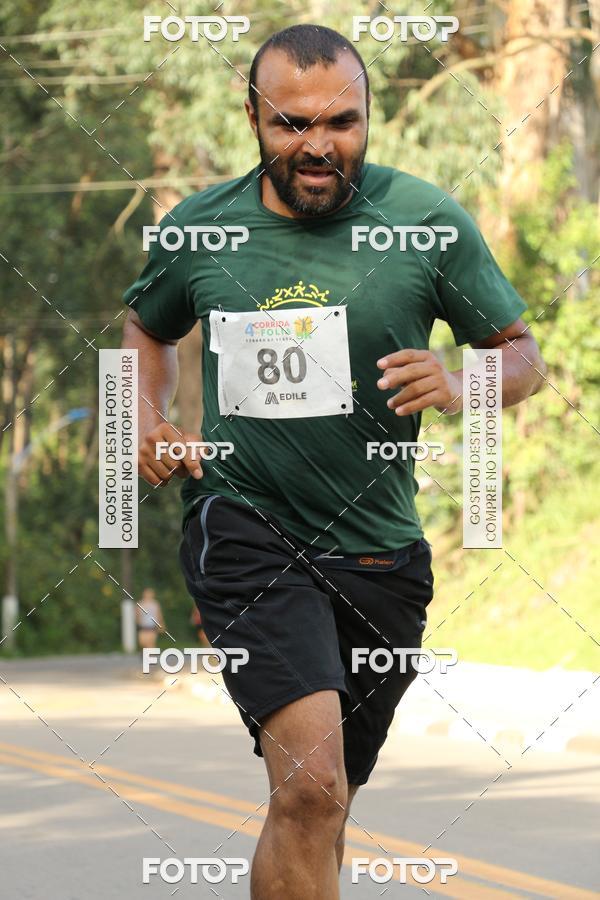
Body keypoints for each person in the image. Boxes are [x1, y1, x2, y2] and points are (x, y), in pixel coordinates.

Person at [122, 24, 546, 899]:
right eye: (290, 124)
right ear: (253, 117)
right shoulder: (201, 230)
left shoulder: (426, 223)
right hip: (245, 530)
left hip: (381, 554)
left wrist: (464, 381)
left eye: (342, 122)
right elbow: (145, 328)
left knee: (323, 805)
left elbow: (524, 356)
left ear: (369, 118)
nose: (317, 145)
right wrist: (145, 415)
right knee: (312, 785)